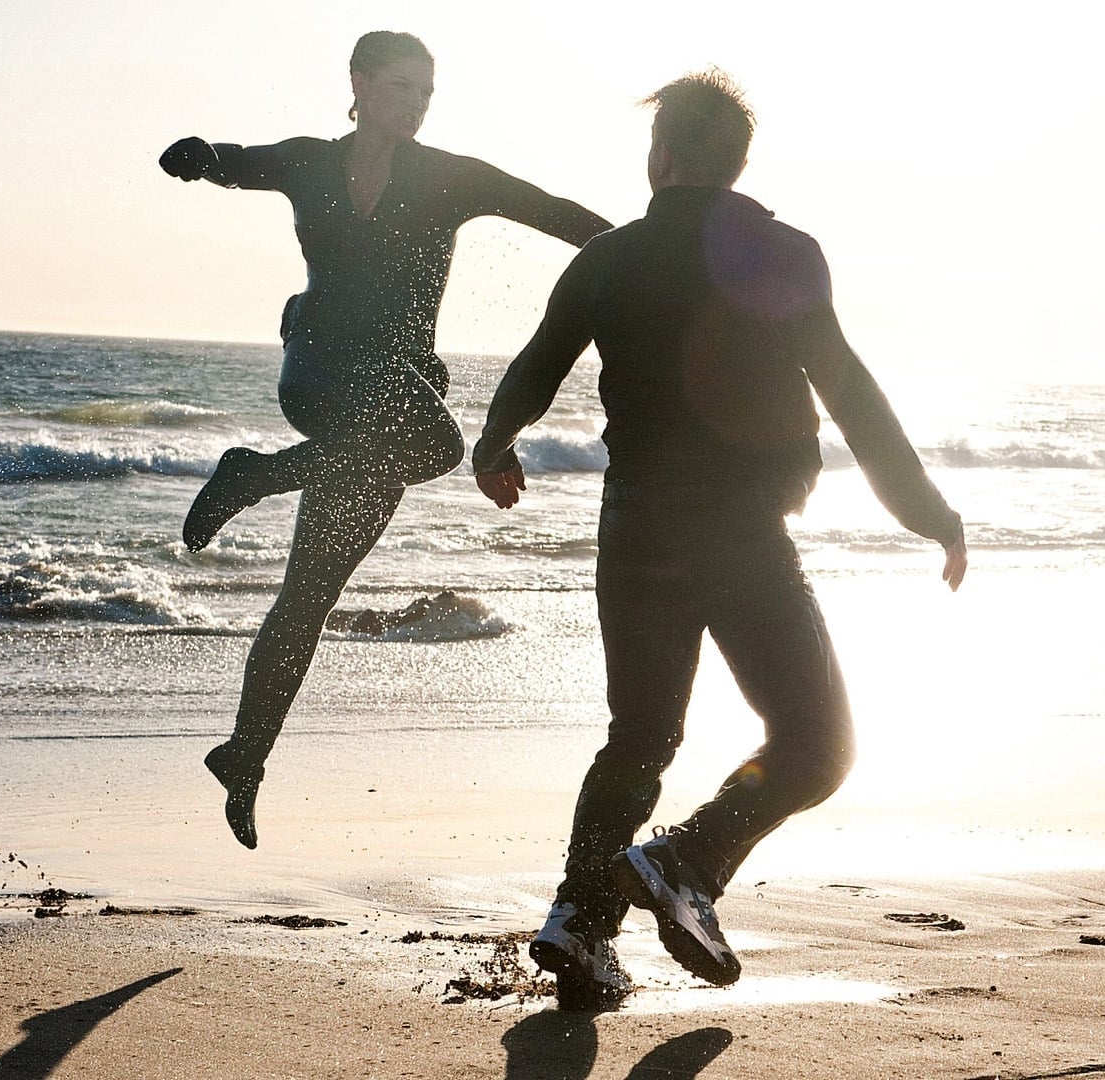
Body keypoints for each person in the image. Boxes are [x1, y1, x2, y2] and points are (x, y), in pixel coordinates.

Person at [472, 70, 968, 1009]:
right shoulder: (785, 255)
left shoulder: (606, 259)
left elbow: (534, 370)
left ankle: (580, 922)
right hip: (742, 537)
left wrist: (491, 448)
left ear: (661, 158)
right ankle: (687, 862)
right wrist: (928, 513)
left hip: (634, 530)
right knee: (818, 744)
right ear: (737, 164)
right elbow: (853, 396)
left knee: (639, 737)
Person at [159, 31, 610, 849]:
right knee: (440, 445)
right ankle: (253, 475)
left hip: (390, 408)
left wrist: (646, 253)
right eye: (401, 87)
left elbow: (552, 211)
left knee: (309, 595)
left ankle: (244, 756)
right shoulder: (307, 161)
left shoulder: (450, 177)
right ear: (360, 83)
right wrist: (198, 157)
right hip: (320, 372)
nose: (415, 105)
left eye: (426, 93)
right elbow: (234, 160)